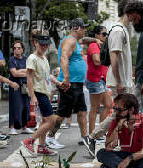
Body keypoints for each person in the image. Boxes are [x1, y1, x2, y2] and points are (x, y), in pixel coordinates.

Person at [85, 0, 133, 158]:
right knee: (119, 113)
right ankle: (93, 137)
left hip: (122, 81)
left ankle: (117, 143)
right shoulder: (118, 31)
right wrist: (120, 81)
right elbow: (114, 56)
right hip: (118, 82)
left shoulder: (121, 30)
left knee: (122, 114)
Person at [48, 18, 92, 147]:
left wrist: (95, 40)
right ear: (76, 28)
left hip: (77, 83)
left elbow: (85, 39)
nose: (85, 30)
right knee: (62, 114)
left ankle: (85, 137)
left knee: (82, 111)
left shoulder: (76, 41)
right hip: (70, 83)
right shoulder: (70, 41)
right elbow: (63, 57)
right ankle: (50, 137)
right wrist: (66, 78)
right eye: (83, 27)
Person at [96, 93, 143, 168]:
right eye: (115, 109)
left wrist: (129, 159)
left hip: (140, 156)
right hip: (124, 154)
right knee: (101, 153)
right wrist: (117, 128)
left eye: (120, 110)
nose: (116, 112)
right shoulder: (116, 121)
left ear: (131, 110)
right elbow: (108, 147)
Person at [21, 32, 59, 156]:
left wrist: (58, 82)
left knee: (44, 121)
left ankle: (41, 147)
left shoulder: (44, 58)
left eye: (46, 44)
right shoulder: (32, 58)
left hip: (45, 91)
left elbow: (46, 77)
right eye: (42, 44)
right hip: (38, 93)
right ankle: (30, 141)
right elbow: (29, 79)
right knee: (51, 120)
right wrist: (32, 96)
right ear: (35, 43)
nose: (44, 47)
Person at [86, 25, 112, 135]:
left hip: (101, 80)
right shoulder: (93, 45)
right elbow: (97, 61)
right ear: (96, 35)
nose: (106, 36)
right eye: (104, 34)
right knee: (95, 108)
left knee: (108, 105)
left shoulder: (102, 45)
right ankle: (92, 135)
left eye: (107, 34)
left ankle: (99, 132)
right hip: (95, 80)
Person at [8, 40, 33, 136]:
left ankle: (24, 127)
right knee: (15, 106)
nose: (16, 50)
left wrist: (20, 71)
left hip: (25, 86)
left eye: (18, 48)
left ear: (22, 49)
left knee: (25, 106)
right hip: (15, 86)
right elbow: (14, 73)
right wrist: (24, 71)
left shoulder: (26, 59)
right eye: (14, 48)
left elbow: (31, 72)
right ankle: (12, 127)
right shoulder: (11, 60)